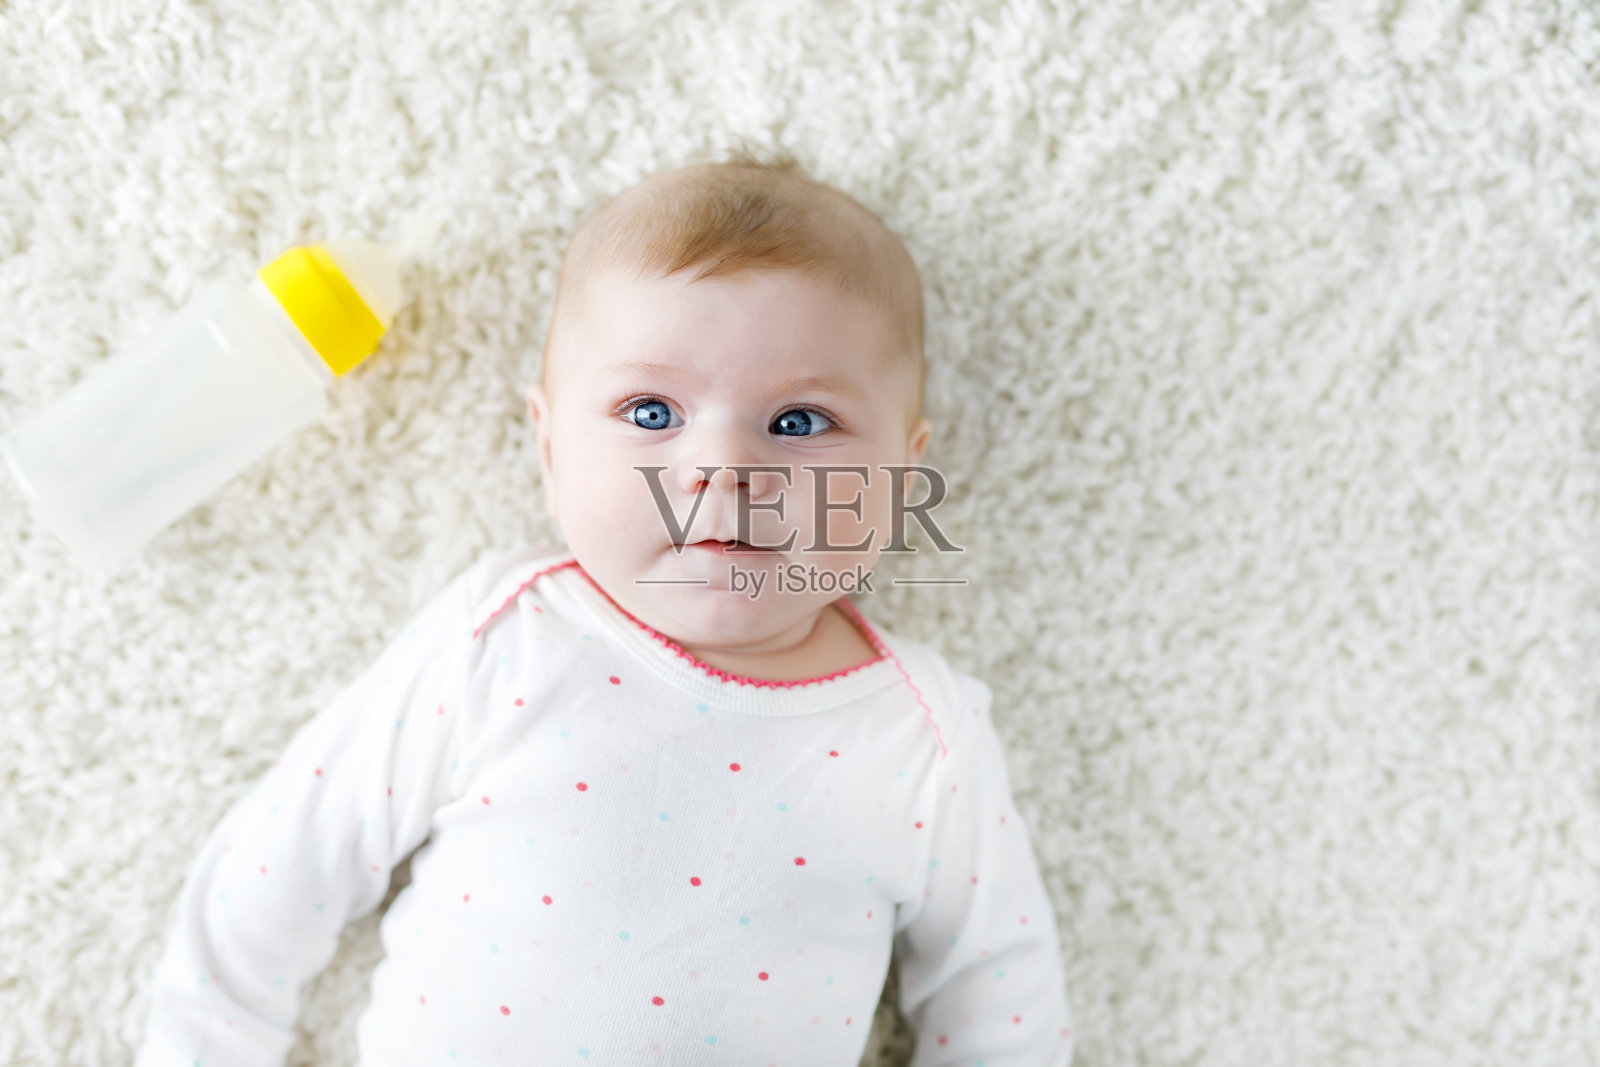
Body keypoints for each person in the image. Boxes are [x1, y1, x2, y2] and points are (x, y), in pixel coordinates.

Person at [135, 150, 1074, 1066]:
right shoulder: (504, 637)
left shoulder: (921, 736)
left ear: (904, 476)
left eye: (798, 423)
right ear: (550, 450)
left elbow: (1003, 1003)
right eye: (652, 412)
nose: (724, 470)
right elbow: (275, 873)